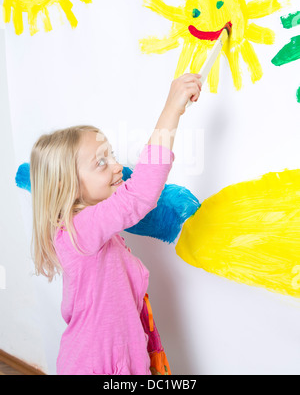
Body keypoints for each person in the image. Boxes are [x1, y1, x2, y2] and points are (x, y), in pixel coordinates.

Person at [30, 73, 202, 375]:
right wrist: (171, 109)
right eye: (100, 162)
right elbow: (139, 195)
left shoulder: (96, 230)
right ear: (65, 185)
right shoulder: (80, 231)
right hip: (94, 366)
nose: (117, 166)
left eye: (111, 155)